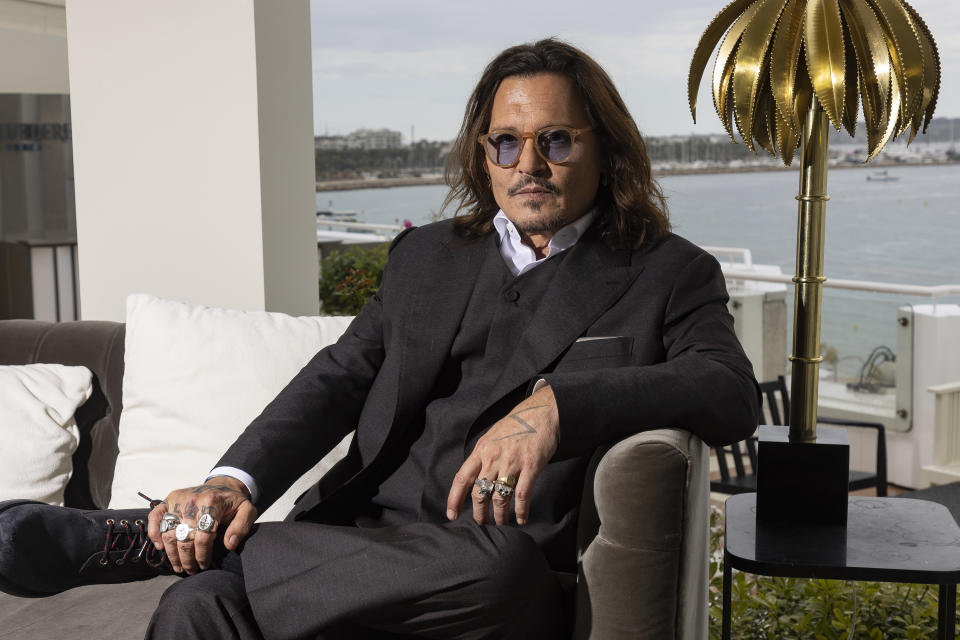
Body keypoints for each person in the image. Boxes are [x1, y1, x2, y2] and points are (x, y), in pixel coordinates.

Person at [0, 38, 759, 639]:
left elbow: (728, 392)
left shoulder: (667, 273)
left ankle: (154, 541)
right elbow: (338, 377)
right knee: (195, 612)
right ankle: (209, 542)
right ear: (482, 153)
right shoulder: (427, 257)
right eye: (506, 143)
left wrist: (561, 404)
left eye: (556, 141)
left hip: (485, 582)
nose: (528, 165)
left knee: (498, 570)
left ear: (606, 148)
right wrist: (234, 482)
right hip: (347, 547)